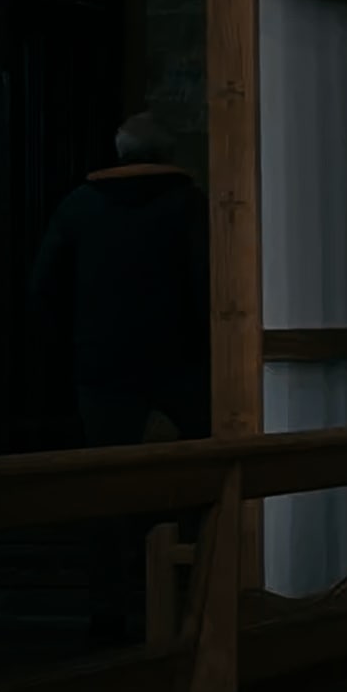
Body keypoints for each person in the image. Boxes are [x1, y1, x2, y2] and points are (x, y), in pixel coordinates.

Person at [26, 113, 212, 450]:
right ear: (168, 154)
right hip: (181, 371)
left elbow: (44, 289)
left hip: (103, 371)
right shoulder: (192, 207)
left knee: (112, 474)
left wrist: (74, 348)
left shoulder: (78, 205)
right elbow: (209, 287)